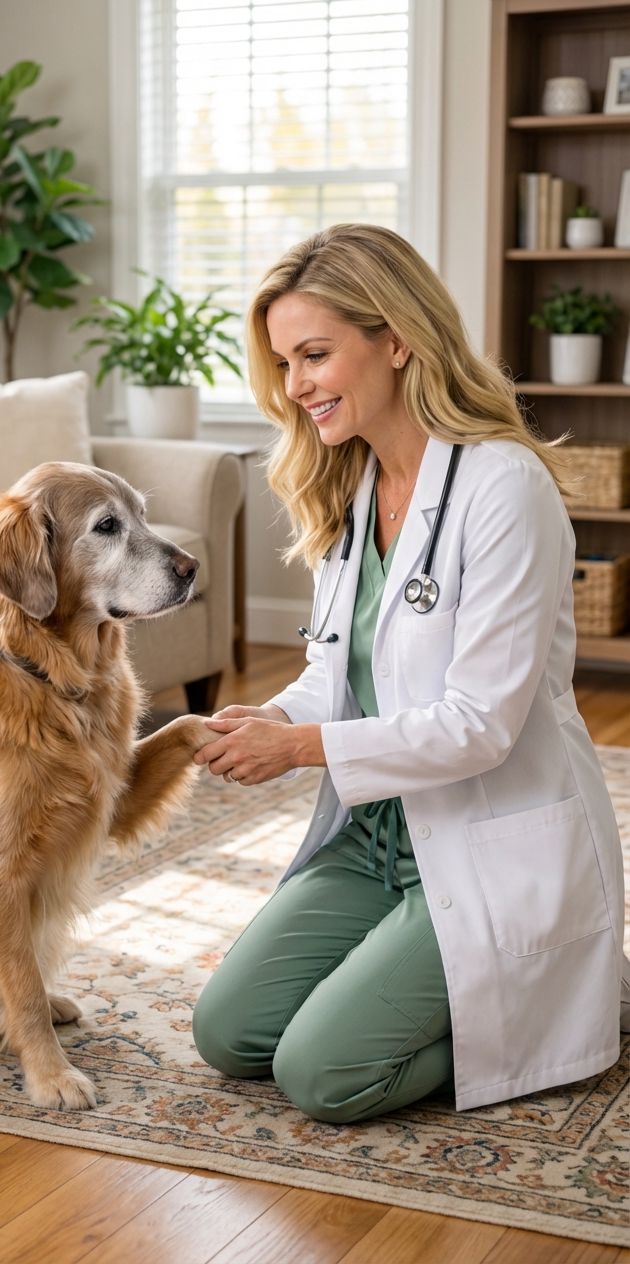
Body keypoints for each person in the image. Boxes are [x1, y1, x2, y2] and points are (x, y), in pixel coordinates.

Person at [191, 223, 627, 1122]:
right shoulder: (351, 487)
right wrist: (264, 718)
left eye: (316, 354)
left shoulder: (505, 488)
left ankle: (565, 1005)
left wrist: (302, 748)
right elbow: (336, 671)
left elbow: (481, 723)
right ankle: (481, 988)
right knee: (229, 1034)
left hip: (488, 838)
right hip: (379, 839)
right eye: (283, 362)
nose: (296, 385)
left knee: (322, 1074)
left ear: (396, 337)